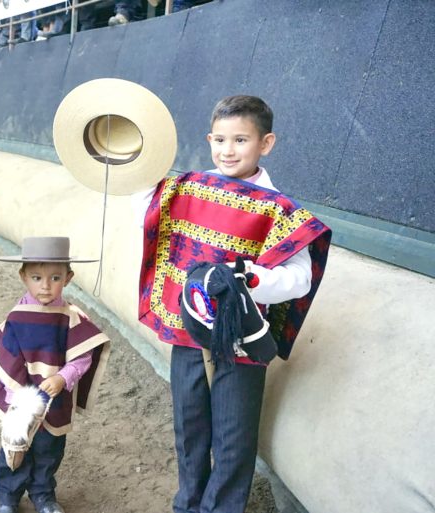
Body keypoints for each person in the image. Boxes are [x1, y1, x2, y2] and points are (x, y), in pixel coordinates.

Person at [133, 95, 331, 513]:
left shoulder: (280, 210)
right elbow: (146, 217)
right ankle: (187, 504)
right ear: (208, 139)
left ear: (266, 143)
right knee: (190, 427)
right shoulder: (187, 189)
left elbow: (298, 278)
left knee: (233, 437)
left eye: (240, 139)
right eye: (220, 139)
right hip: (189, 333)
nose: (227, 150)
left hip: (241, 339)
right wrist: (136, 173)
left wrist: (250, 278)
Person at [0, 237, 111, 513]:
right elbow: (8, 358)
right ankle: (7, 497)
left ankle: (43, 494)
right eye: (37, 277)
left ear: (68, 278)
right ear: (23, 277)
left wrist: (63, 377)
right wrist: (19, 397)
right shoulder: (17, 317)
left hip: (55, 399)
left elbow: (83, 354)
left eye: (55, 278)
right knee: (14, 447)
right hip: (21, 400)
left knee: (50, 448)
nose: (46, 286)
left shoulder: (71, 317)